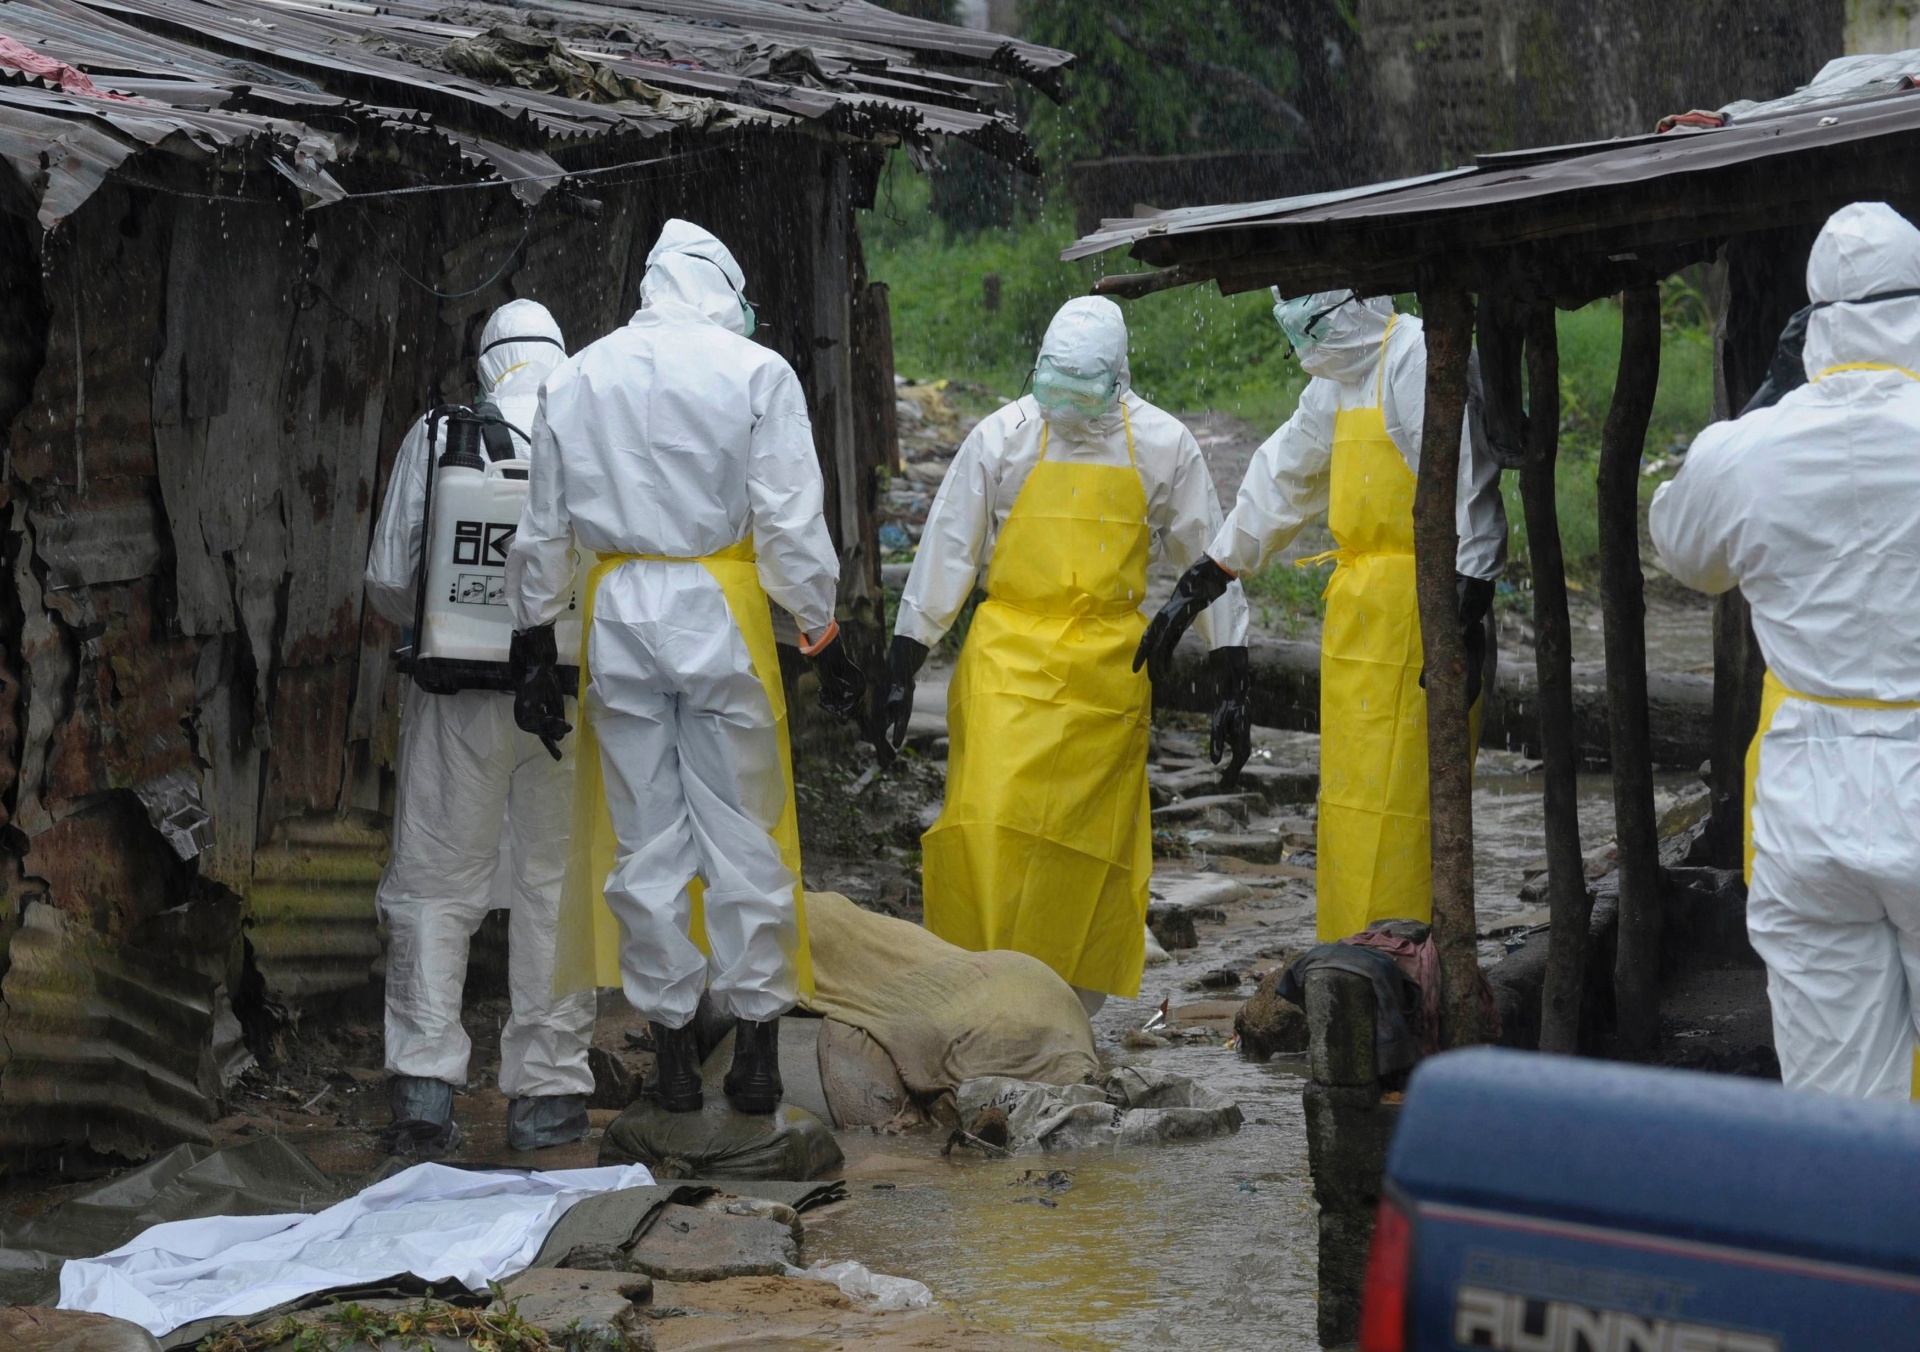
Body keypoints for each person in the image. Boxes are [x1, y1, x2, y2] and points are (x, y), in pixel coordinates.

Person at [506, 219, 863, 1116]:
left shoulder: (576, 374)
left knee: (645, 840)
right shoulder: (756, 373)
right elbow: (786, 520)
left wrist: (533, 635)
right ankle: (755, 1057)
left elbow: (544, 527)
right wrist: (821, 626)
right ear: (723, 289)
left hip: (618, 612)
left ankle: (669, 1060)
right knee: (745, 834)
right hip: (720, 612)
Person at [880, 296, 1250, 1015]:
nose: (1071, 406)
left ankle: (1067, 1014)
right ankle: (980, 997)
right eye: (1060, 389)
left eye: (1088, 392)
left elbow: (1212, 554)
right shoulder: (1002, 437)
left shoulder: (1167, 444)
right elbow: (947, 549)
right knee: (989, 826)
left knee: (1085, 850)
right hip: (1007, 660)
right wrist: (903, 661)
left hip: (1109, 671)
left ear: (1120, 377)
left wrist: (1231, 662)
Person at [1650, 201, 1920, 1100]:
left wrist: (1759, 408)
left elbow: (1681, 545)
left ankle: (1861, 1242)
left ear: (1812, 325)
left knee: (1841, 1116)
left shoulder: (1750, 451)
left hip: (1808, 810)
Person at [1136, 291, 1506, 944]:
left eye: (1310, 325)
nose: (1304, 344)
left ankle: (1414, 965)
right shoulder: (1340, 381)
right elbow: (1283, 474)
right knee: (1352, 809)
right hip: (1357, 622)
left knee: (1411, 807)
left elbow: (1467, 480)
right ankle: (1350, 960)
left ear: (1349, 303)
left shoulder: (1417, 356)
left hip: (1426, 605)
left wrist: (1469, 605)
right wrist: (1209, 574)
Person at [365, 298, 595, 1156]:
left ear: (487, 363)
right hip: (568, 698)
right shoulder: (594, 429)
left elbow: (390, 579)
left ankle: (425, 1099)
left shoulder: (439, 433)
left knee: (435, 885)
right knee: (554, 891)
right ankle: (549, 1101)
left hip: (454, 698)